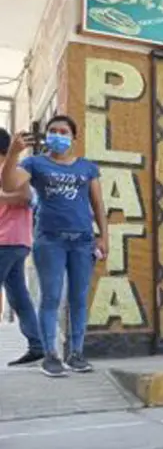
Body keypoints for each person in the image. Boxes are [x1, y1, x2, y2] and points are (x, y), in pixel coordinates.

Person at [0, 116, 108, 378]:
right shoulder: (34, 163)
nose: (58, 135)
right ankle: (50, 356)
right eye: (53, 131)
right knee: (50, 298)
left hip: (83, 241)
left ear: (73, 137)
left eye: (64, 131)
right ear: (46, 136)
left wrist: (104, 236)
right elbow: (8, 185)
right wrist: (14, 154)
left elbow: (98, 204)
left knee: (79, 299)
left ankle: (77, 354)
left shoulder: (87, 168)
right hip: (50, 241)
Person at [0, 128, 43, 366]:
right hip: (14, 242)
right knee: (19, 298)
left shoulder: (14, 170)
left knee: (19, 297)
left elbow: (26, 198)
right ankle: (37, 346)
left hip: (8, 241)